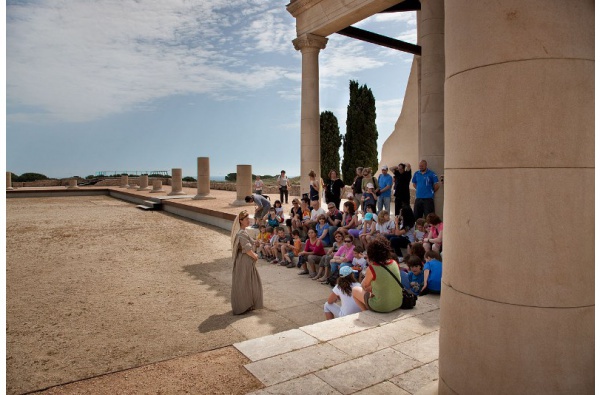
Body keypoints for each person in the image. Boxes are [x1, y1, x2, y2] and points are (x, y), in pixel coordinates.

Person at [352, 236, 403, 312]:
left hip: (381, 306)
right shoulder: (394, 263)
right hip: (398, 302)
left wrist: (370, 264)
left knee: (355, 290)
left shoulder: (372, 268)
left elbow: (364, 286)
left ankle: (365, 312)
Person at [230, 210, 263, 315]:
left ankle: (247, 304)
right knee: (245, 283)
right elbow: (247, 249)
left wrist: (256, 242)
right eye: (246, 219)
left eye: (249, 219)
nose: (249, 221)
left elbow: (250, 242)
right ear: (241, 221)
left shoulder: (243, 232)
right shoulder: (241, 233)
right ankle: (243, 306)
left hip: (245, 260)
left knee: (248, 282)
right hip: (244, 261)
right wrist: (255, 256)